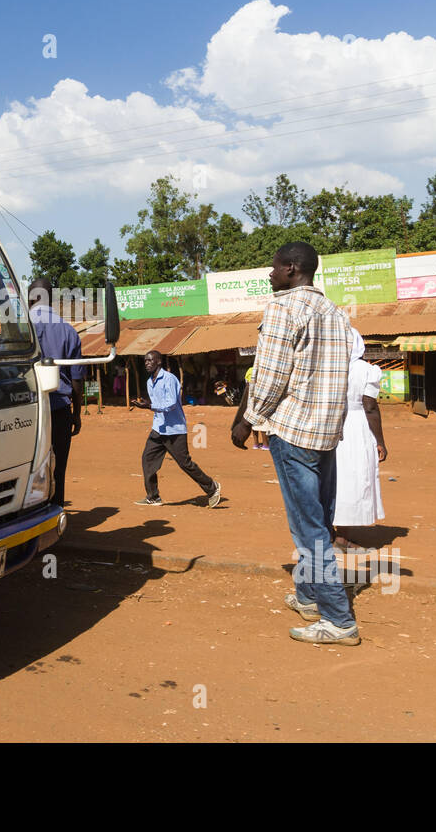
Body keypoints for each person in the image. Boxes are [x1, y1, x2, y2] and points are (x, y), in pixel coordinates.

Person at [231, 242, 356, 646]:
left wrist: (247, 420)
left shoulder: (284, 309)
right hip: (326, 433)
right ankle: (307, 597)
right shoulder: (336, 313)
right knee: (317, 516)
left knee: (309, 528)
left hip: (295, 431)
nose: (269, 276)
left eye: (272, 268)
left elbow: (269, 376)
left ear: (290, 269)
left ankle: (338, 621)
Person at [133, 350, 221, 508]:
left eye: (150, 360)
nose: (146, 363)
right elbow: (157, 404)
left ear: (159, 362)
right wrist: (147, 404)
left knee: (185, 463)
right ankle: (153, 497)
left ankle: (212, 487)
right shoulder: (149, 382)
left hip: (175, 430)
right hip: (158, 428)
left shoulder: (169, 379)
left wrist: (150, 406)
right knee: (148, 459)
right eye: (145, 361)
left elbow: (171, 403)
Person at [28, 278, 83, 509]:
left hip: (27, 412)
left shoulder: (21, 327)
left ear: (32, 298)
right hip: (60, 409)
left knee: (28, 467)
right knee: (58, 467)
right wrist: (77, 414)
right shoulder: (68, 331)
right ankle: (56, 512)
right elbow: (77, 379)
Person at [332, 328, 388, 551]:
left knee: (334, 479)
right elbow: (370, 406)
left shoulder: (330, 368)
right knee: (353, 480)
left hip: (331, 425)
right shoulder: (366, 370)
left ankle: (331, 533)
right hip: (356, 426)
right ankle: (343, 539)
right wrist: (381, 441)